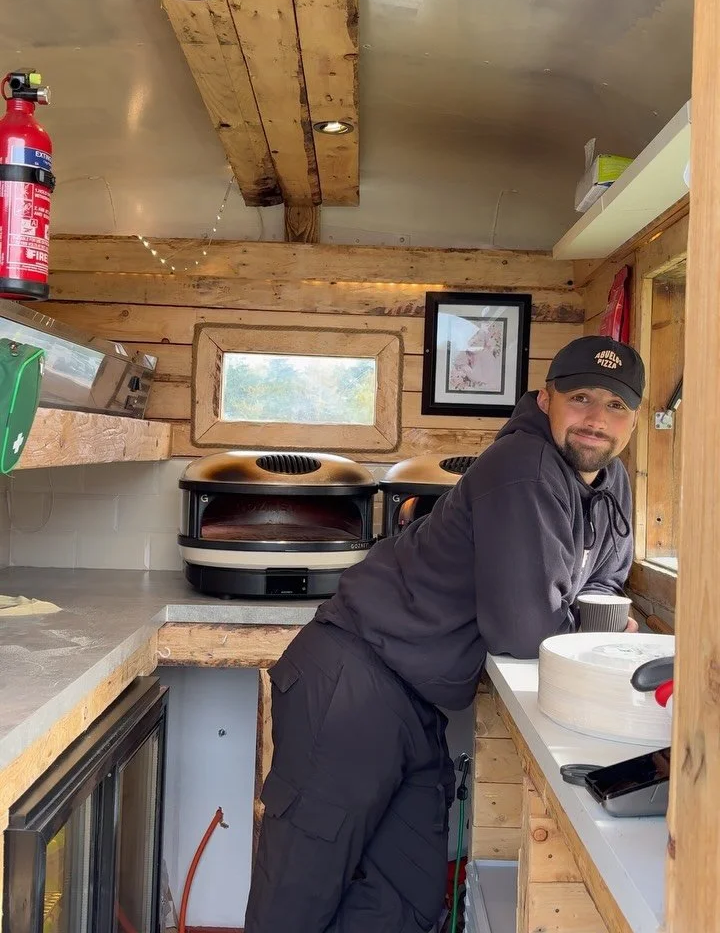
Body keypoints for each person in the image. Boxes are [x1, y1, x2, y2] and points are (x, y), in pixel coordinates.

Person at [244, 334, 645, 933]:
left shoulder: (608, 484)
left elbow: (606, 587)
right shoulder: (524, 466)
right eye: (582, 397)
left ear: (634, 419)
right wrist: (589, 623)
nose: (597, 419)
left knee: (405, 896)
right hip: (352, 679)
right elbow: (521, 628)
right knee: (301, 892)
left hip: (416, 696)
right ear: (546, 399)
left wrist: (590, 619)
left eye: (616, 406)